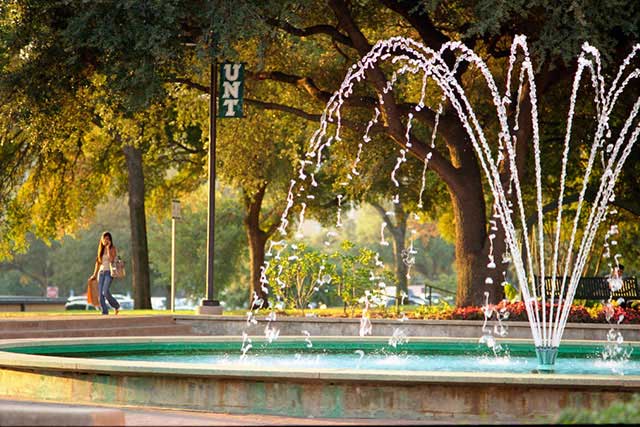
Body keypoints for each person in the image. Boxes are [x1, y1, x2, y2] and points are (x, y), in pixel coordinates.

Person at [89, 231, 121, 315]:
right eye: (105, 239)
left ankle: (116, 305)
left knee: (105, 291)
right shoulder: (100, 250)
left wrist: (108, 248)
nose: (106, 240)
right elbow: (98, 263)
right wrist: (94, 275)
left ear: (110, 240)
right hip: (101, 273)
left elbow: (111, 260)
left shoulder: (112, 248)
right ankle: (104, 311)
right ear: (102, 240)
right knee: (100, 294)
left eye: (108, 239)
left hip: (109, 273)